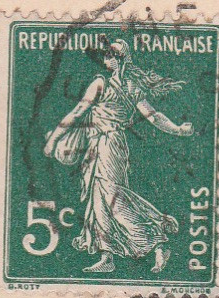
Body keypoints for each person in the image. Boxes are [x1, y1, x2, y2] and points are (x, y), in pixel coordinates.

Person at [43, 38, 195, 275]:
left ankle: (156, 240)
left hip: (108, 145)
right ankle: (107, 256)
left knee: (112, 198)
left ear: (118, 58)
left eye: (109, 54)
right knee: (99, 200)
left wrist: (53, 140)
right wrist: (177, 129)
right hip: (102, 146)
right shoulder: (129, 87)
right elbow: (154, 117)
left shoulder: (102, 84)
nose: (105, 59)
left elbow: (77, 113)